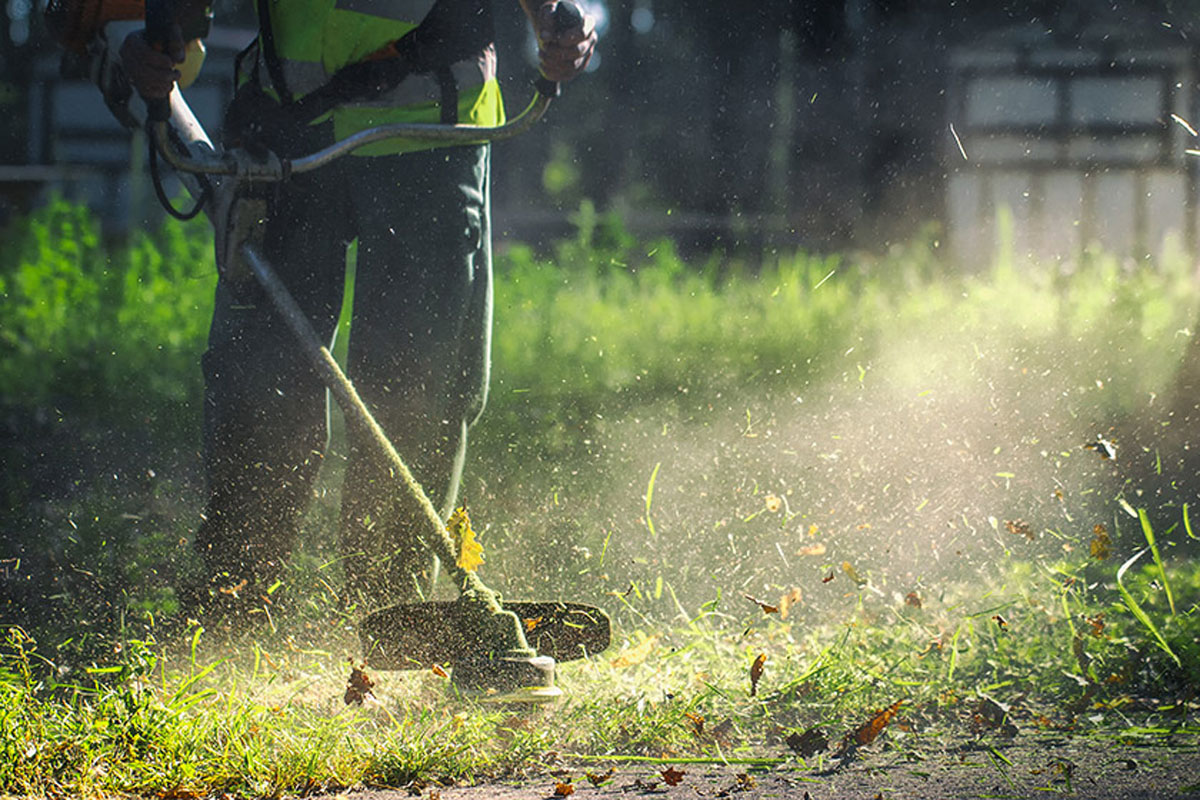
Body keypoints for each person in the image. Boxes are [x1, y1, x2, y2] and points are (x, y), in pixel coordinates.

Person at [119, 0, 596, 619]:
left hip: (431, 132)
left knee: (416, 385)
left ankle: (391, 613)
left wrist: (557, 18)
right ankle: (232, 597)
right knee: (261, 379)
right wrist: (159, 39)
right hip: (287, 132)